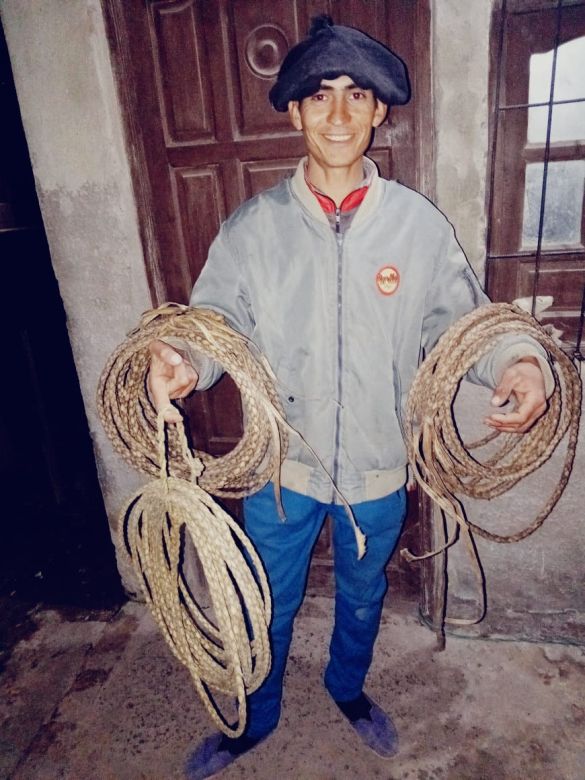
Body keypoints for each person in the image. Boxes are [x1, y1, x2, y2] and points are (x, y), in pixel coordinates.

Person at [148, 16, 550, 778]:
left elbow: (465, 324)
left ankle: (347, 691)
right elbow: (214, 323)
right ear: (294, 112)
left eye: (356, 95)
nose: (337, 114)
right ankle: (251, 720)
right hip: (279, 469)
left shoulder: (416, 228)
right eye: (319, 96)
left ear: (378, 112)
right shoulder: (252, 230)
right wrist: (183, 365)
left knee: (363, 601)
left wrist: (517, 360)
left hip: (375, 466)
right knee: (262, 602)